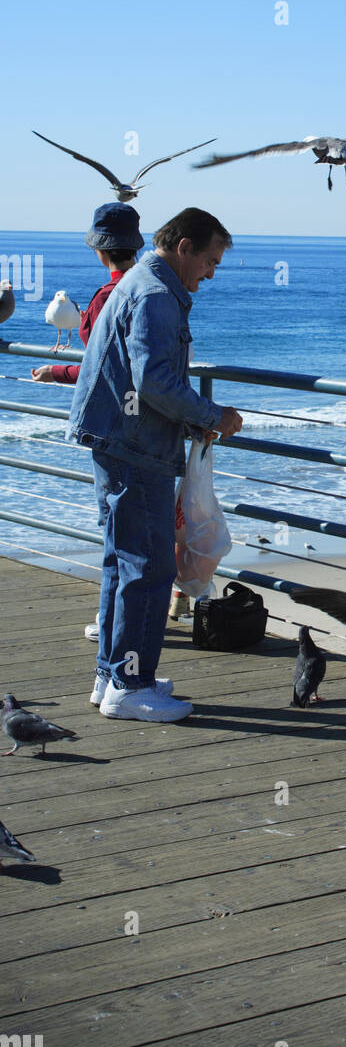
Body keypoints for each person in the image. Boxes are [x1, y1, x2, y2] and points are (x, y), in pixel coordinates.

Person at [67, 207, 243, 722]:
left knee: (121, 560)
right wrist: (213, 415)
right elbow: (155, 382)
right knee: (150, 565)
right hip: (135, 445)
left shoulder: (140, 283)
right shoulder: (156, 295)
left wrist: (192, 421)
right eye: (209, 260)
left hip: (118, 438)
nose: (210, 272)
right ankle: (130, 685)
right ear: (184, 247)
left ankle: (111, 673)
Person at [31, 203, 144, 387]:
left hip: (117, 402)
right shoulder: (151, 284)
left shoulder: (109, 295)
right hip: (146, 401)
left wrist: (55, 372)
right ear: (135, 247)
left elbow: (103, 365)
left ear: (100, 250)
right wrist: (90, 319)